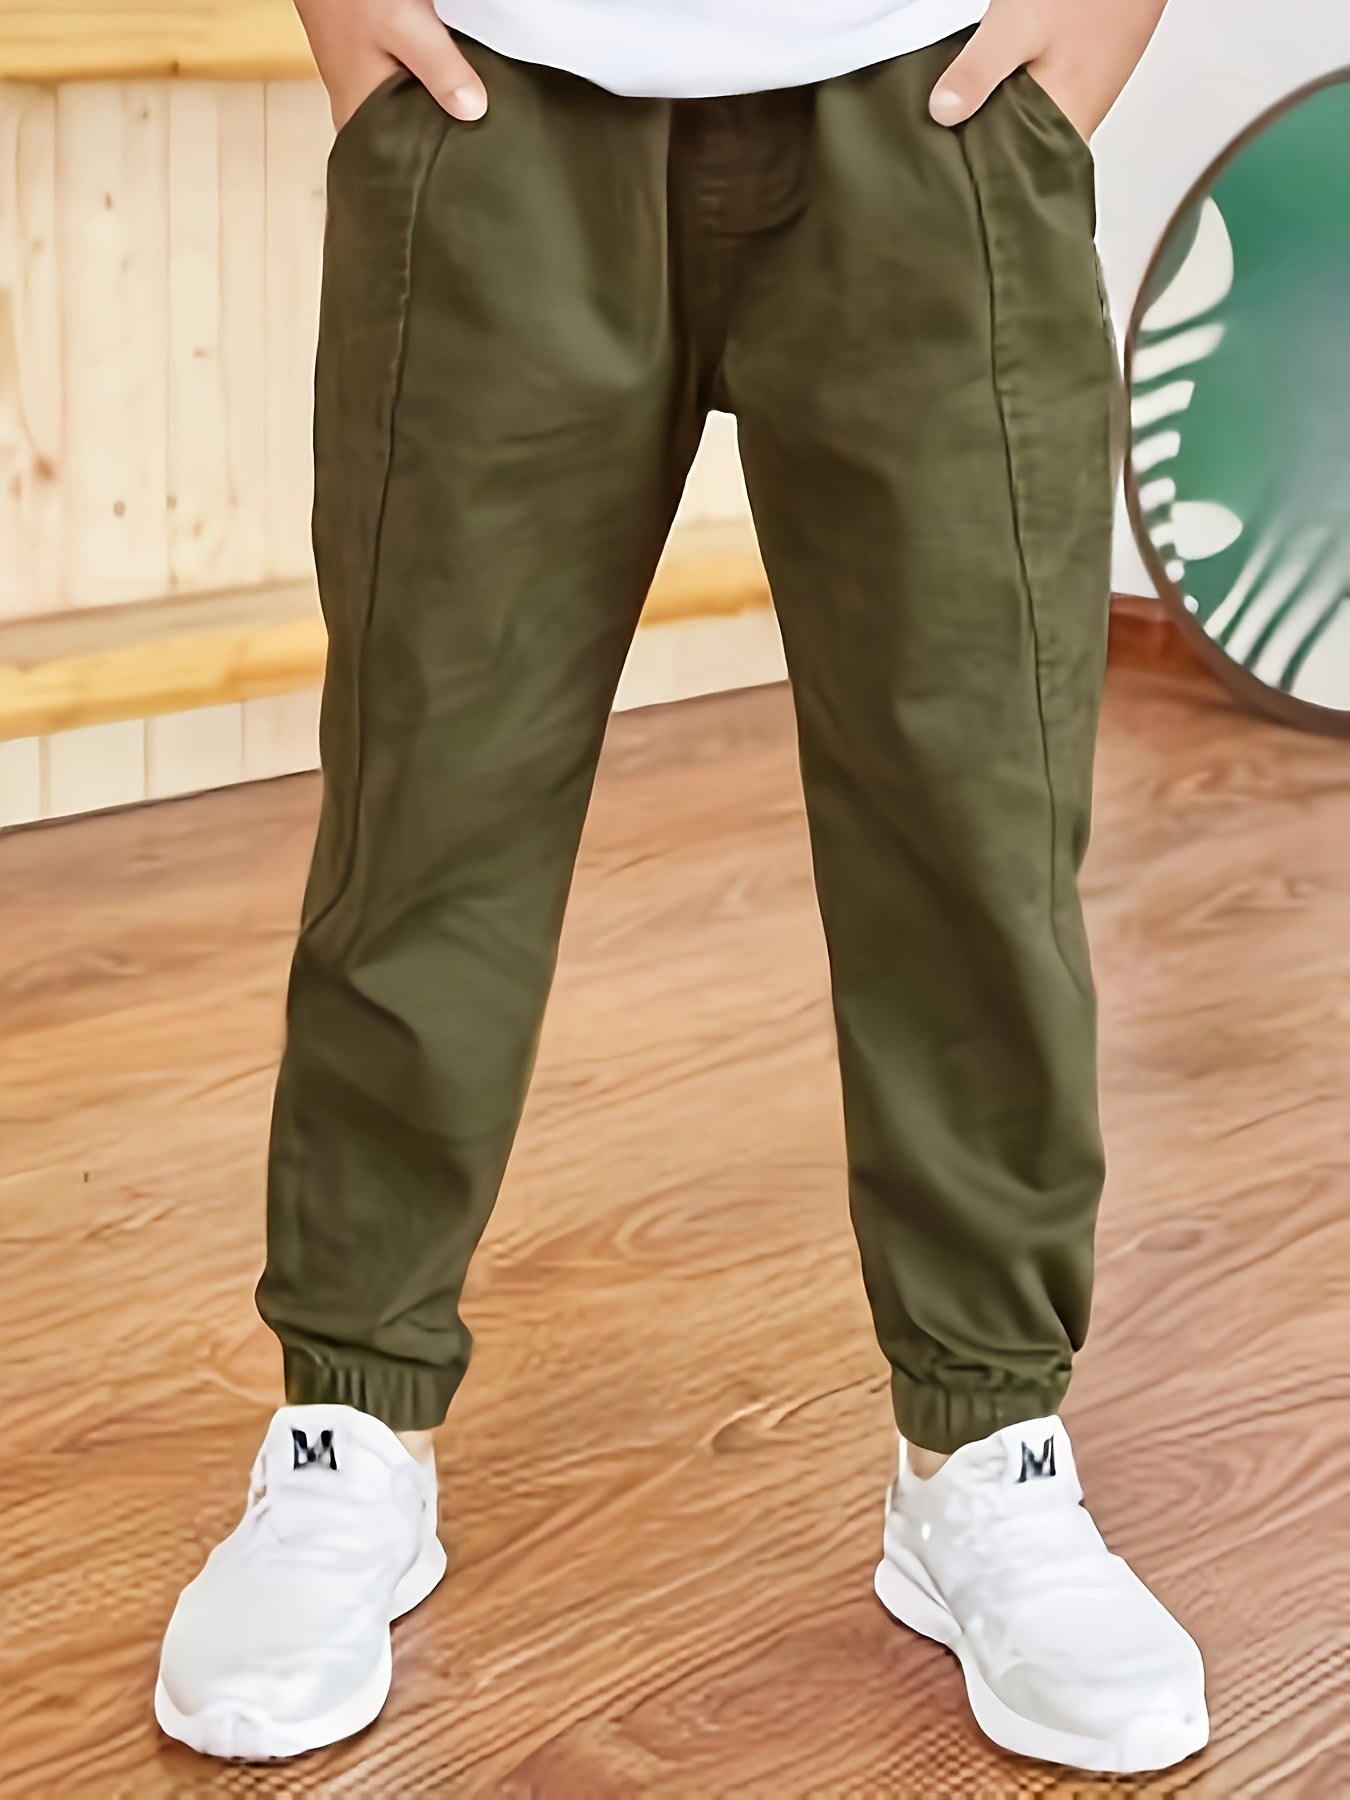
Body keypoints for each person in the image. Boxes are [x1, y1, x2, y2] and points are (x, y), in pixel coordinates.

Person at [154, 0, 1208, 1775]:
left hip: (932, 100)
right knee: (428, 813)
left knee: (976, 831)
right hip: (494, 103)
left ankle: (985, 1444)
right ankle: (348, 1430)